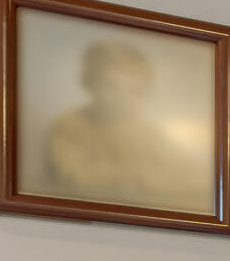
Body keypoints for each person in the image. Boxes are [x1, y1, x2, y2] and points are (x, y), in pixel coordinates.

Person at [40, 38, 203, 209]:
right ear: (89, 84)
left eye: (135, 90)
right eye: (111, 86)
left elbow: (193, 176)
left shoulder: (151, 133)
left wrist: (162, 179)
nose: (122, 97)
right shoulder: (69, 125)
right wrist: (141, 177)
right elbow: (71, 175)